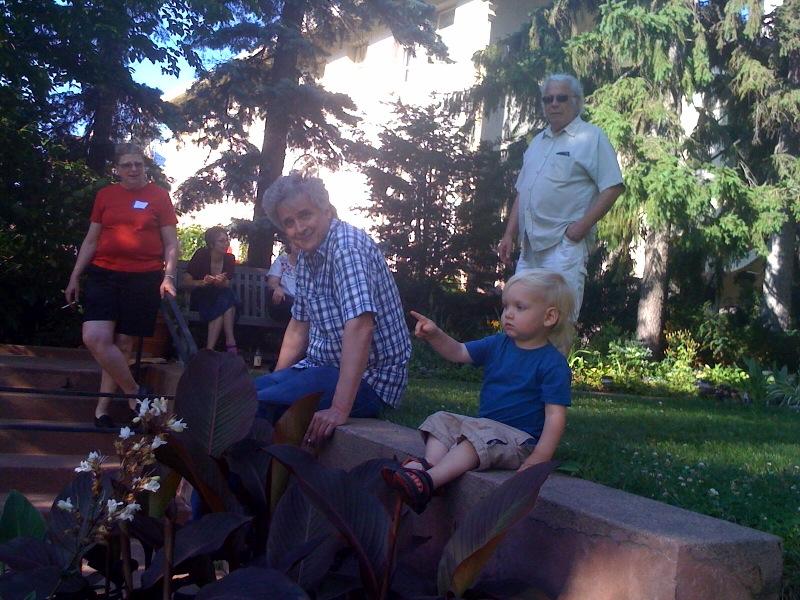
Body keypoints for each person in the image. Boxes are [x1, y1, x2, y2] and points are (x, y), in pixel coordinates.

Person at [382, 269, 574, 514]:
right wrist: (435, 335)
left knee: (474, 441)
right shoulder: (498, 343)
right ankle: (428, 466)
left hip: (518, 440)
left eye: (520, 307)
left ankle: (428, 483)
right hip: (484, 429)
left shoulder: (552, 363)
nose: (508, 314)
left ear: (549, 317)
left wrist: (539, 457)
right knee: (441, 420)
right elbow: (459, 352)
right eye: (506, 306)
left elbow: (555, 416)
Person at [254, 171, 411, 447]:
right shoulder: (306, 256)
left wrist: (339, 408)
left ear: (326, 211)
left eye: (305, 215)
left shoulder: (347, 248)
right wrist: (278, 378)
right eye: (289, 222)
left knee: (260, 407)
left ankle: (239, 473)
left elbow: (361, 326)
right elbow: (298, 326)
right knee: (246, 394)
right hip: (319, 368)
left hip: (371, 380)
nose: (299, 228)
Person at [65, 143, 179, 429]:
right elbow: (91, 239)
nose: (133, 169)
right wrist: (75, 275)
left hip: (143, 277)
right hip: (104, 274)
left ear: (145, 167)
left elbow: (171, 243)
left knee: (123, 345)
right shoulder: (105, 195)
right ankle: (135, 393)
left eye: (138, 164)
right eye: (127, 164)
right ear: (117, 169)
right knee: (95, 337)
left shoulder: (159, 196)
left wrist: (168, 276)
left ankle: (102, 409)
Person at [497, 73, 624, 322]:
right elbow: (523, 191)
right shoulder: (537, 143)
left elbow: (613, 186)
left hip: (564, 248)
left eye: (561, 98)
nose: (554, 104)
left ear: (577, 101)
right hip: (529, 249)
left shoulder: (592, 137)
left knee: (559, 320)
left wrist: (581, 227)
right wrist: (509, 234)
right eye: (548, 99)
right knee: (521, 319)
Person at [182, 226, 239, 353]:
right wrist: (202, 282)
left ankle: (209, 350)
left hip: (220, 296)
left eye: (227, 240)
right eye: (222, 241)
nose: (226, 244)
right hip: (201, 296)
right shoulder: (201, 255)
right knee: (226, 302)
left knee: (225, 296)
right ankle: (230, 342)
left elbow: (227, 284)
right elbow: (186, 282)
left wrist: (221, 281)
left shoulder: (229, 259)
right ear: (212, 244)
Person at [265, 242, 299, 323]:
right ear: (290, 243)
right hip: (285, 302)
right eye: (295, 241)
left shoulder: (311, 263)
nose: (298, 244)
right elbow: (272, 282)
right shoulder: (282, 260)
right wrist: (277, 288)